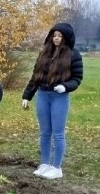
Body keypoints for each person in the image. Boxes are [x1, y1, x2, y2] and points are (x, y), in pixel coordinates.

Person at [21, 23, 84, 180]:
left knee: (58, 133)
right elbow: (35, 76)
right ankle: (44, 164)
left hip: (59, 97)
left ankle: (56, 167)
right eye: (54, 35)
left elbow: (77, 78)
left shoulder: (73, 55)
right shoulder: (44, 53)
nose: (56, 39)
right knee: (44, 132)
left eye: (60, 36)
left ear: (66, 38)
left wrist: (65, 86)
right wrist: (27, 96)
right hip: (43, 95)